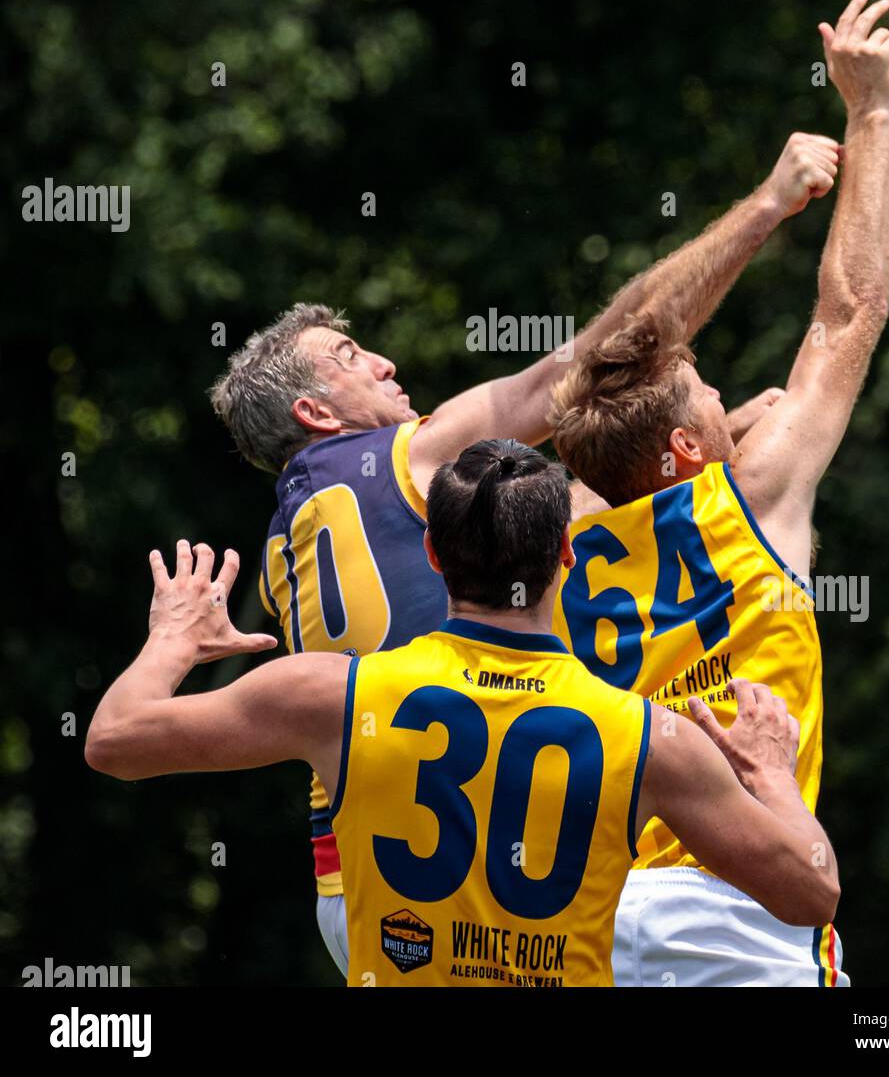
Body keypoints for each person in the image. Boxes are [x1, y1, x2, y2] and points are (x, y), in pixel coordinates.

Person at [207, 130, 841, 972]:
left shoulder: (291, 539)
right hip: (471, 853)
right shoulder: (411, 457)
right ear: (317, 414)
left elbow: (558, 514)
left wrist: (732, 433)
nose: (387, 362)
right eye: (352, 358)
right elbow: (590, 365)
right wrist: (768, 205)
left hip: (352, 878)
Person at [85, 440, 839, 987]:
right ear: (567, 558)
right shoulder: (649, 738)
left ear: (436, 555)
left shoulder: (335, 696)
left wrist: (172, 639)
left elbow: (113, 742)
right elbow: (811, 894)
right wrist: (770, 775)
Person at [549, 0, 889, 986]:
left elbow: (594, 371)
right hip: (744, 912)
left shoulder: (552, 532)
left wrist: (758, 213)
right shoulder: (751, 502)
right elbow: (849, 310)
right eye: (702, 393)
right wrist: (867, 113)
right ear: (678, 454)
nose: (721, 394)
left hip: (600, 918)